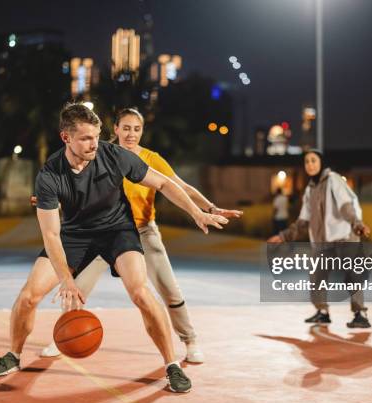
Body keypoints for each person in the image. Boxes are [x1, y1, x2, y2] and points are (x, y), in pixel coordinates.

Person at [0, 103, 228, 394]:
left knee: (140, 292)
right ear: (66, 138)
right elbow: (50, 234)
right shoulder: (50, 174)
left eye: (96, 136)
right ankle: (13, 355)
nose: (93, 143)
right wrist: (66, 278)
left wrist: (197, 212)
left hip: (118, 231)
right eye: (85, 138)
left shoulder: (114, 155)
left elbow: (163, 183)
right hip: (75, 234)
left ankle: (171, 364)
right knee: (28, 296)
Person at [37, 107, 243, 363]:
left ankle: (190, 340)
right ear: (115, 130)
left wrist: (207, 209)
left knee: (168, 289)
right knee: (75, 289)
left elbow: (180, 186)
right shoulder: (98, 153)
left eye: (137, 129)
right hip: (102, 231)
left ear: (142, 131)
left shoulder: (149, 159)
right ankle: (66, 335)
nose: (131, 133)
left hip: (142, 231)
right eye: (126, 128)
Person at [268, 149, 372, 328]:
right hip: (323, 240)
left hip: (344, 235)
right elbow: (303, 221)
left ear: (321, 163)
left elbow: (346, 206)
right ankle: (322, 312)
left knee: (352, 274)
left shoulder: (333, 179)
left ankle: (360, 314)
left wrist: (358, 224)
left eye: (313, 161)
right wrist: (283, 236)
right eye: (307, 161)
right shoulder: (310, 189)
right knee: (317, 274)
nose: (310, 164)